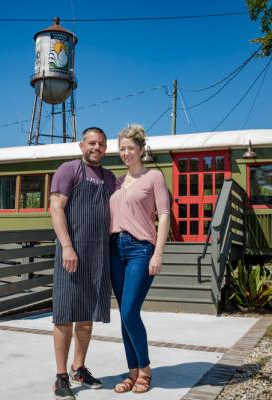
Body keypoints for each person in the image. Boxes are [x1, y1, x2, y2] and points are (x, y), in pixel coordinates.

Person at [49, 127, 116, 400]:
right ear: (81, 145)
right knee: (64, 316)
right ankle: (61, 376)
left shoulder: (109, 178)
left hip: (98, 256)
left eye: (101, 144)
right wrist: (67, 246)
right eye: (91, 143)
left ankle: (79, 369)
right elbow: (55, 208)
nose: (96, 148)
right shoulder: (69, 170)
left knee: (86, 319)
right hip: (71, 254)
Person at [109, 124, 170, 394]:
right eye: (121, 149)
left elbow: (165, 214)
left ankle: (144, 369)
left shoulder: (154, 177)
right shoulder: (117, 182)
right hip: (115, 249)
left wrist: (158, 251)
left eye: (130, 148)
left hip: (140, 249)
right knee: (123, 316)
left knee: (129, 311)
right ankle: (132, 372)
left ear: (141, 150)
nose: (125, 153)